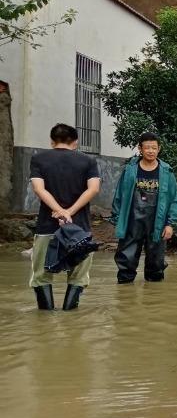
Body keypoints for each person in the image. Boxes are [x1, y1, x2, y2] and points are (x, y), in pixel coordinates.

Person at [29, 123, 101, 310]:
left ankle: (45, 322)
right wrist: (69, 212)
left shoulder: (38, 159)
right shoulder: (88, 161)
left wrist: (59, 211)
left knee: (41, 276)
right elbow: (94, 189)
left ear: (52, 142)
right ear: (75, 142)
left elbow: (38, 189)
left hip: (47, 227)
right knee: (78, 277)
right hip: (79, 229)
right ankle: (70, 319)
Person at [110, 132, 177, 283]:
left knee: (156, 264)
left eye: (154, 148)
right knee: (126, 261)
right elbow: (120, 195)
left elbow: (174, 199)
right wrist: (118, 219)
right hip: (132, 221)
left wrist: (170, 224)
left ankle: (153, 297)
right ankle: (125, 294)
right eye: (147, 147)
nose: (151, 151)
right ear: (140, 149)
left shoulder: (166, 172)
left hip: (157, 222)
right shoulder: (130, 170)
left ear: (159, 149)